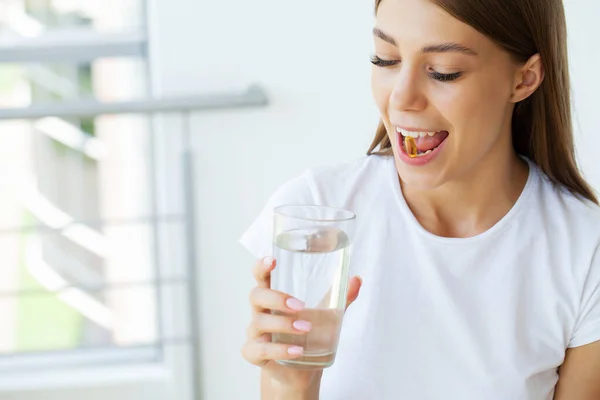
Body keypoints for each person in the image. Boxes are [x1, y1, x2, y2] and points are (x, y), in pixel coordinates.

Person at [239, 0, 600, 398]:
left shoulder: (584, 249)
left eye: (443, 72)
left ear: (524, 79)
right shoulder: (318, 211)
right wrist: (289, 383)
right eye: (385, 59)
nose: (401, 98)